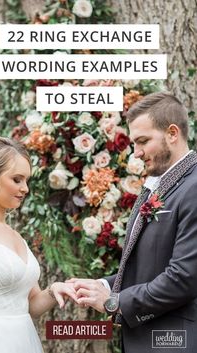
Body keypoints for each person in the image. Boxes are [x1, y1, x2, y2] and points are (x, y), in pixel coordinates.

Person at [69, 92, 197, 352]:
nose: (136, 153)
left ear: (172, 134)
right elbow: (149, 267)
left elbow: (184, 278)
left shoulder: (193, 187)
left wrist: (114, 302)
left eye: (143, 141)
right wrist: (103, 286)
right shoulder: (159, 186)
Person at [0, 136, 77, 353]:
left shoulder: (15, 236)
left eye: (27, 181)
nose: (25, 188)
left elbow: (31, 305)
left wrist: (54, 290)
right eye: (17, 179)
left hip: (24, 341)